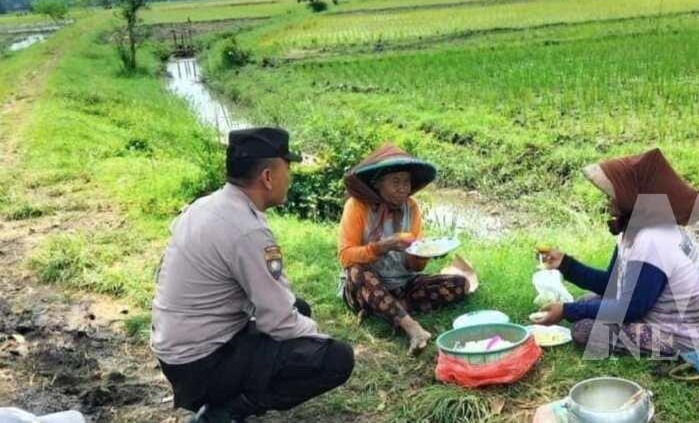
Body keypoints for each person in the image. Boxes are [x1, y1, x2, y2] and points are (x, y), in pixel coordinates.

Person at [150, 127, 354, 423]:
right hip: (200, 364)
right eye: (288, 169)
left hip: (176, 351)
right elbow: (280, 322)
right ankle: (223, 411)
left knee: (299, 307)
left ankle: (224, 399)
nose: (290, 178)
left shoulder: (206, 206)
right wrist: (318, 337)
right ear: (268, 177)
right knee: (336, 358)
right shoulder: (247, 231)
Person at [532, 148, 699, 357]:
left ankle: (674, 353)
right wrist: (565, 264)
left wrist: (566, 311)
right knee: (586, 301)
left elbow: (631, 308)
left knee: (583, 329)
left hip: (686, 336)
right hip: (658, 315)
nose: (608, 202)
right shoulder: (633, 230)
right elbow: (611, 286)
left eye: (613, 196)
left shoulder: (653, 240)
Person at [337, 144, 477, 355]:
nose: (403, 188)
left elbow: (412, 266)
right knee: (356, 270)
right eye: (395, 182)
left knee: (460, 284)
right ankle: (411, 327)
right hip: (365, 284)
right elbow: (345, 256)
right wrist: (381, 247)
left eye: (407, 182)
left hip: (402, 283)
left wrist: (423, 254)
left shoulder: (410, 207)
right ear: (377, 183)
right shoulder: (357, 206)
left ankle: (384, 308)